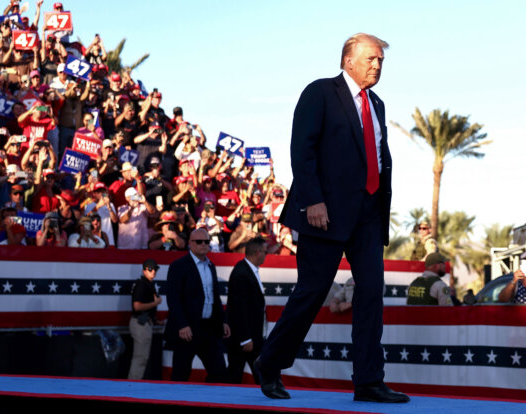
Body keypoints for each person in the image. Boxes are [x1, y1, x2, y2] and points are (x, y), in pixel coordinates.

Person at [254, 33, 409, 403]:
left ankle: (369, 381)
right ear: (349, 60)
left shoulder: (378, 105)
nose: (377, 65)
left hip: (369, 216)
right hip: (324, 214)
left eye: (381, 60)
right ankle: (269, 363)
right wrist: (312, 201)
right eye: (372, 58)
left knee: (371, 294)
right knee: (312, 292)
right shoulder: (320, 92)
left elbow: (377, 156)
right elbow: (301, 148)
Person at [165, 228, 231, 382]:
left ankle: (210, 404)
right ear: (190, 244)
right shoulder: (179, 266)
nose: (203, 244)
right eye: (199, 241)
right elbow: (173, 298)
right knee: (180, 375)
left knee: (219, 372)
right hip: (187, 329)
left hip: (209, 328)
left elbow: (214, 297)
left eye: (206, 241)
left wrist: (223, 321)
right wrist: (182, 325)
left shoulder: (211, 266)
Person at [226, 237, 268, 384]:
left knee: (259, 375)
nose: (266, 254)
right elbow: (239, 309)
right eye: (265, 251)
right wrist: (245, 338)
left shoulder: (249, 270)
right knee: (235, 375)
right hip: (244, 339)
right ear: (257, 253)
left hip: (253, 337)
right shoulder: (241, 273)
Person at [128, 258, 162, 380]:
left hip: (145, 323)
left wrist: (155, 318)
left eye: (155, 270)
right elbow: (136, 306)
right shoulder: (141, 285)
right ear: (144, 271)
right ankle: (132, 386)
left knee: (142, 357)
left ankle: (134, 384)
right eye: (150, 269)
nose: (153, 272)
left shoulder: (148, 284)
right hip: (140, 323)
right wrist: (155, 303)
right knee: (140, 357)